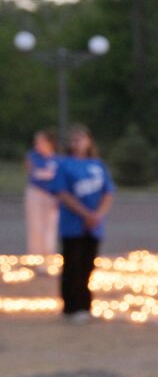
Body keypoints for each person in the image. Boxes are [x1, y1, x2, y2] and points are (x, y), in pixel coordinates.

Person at [52, 125, 114, 322]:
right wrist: (85, 213)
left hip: (94, 225)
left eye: (81, 138)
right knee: (73, 264)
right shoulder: (64, 165)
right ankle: (71, 306)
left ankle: (85, 305)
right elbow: (62, 193)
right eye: (74, 139)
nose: (77, 142)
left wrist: (97, 215)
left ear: (89, 141)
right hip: (73, 224)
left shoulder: (98, 165)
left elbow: (108, 192)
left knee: (88, 265)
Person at [24, 129, 60, 256]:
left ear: (50, 142)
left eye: (41, 141)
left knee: (51, 224)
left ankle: (48, 253)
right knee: (35, 224)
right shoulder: (32, 156)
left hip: (52, 194)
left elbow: (59, 177)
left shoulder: (57, 159)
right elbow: (31, 172)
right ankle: (35, 254)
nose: (37, 144)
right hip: (36, 192)